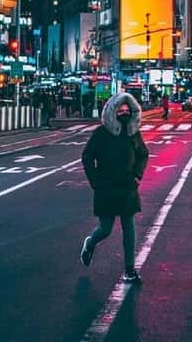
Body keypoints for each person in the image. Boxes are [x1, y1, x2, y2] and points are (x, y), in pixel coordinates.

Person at [80, 92, 149, 284]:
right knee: (105, 228)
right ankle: (90, 243)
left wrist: (137, 175)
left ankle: (129, 270)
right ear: (112, 112)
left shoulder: (134, 133)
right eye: (121, 110)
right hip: (106, 187)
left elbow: (144, 154)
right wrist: (95, 181)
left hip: (128, 186)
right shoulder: (101, 133)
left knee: (129, 226)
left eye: (128, 110)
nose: (124, 113)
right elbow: (87, 156)